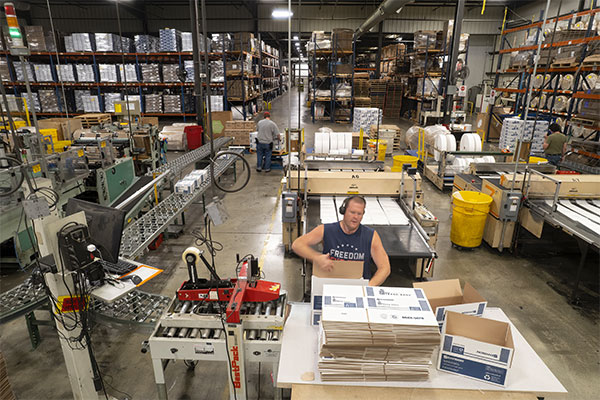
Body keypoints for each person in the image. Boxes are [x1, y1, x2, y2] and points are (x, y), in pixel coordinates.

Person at [291, 195, 391, 286]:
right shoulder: (326, 230)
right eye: (352, 212)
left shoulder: (371, 236)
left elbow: (385, 268)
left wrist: (368, 288)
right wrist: (316, 258)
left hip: (358, 287)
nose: (355, 217)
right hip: (331, 285)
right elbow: (297, 244)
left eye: (359, 214)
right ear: (344, 211)